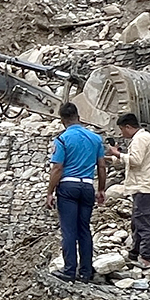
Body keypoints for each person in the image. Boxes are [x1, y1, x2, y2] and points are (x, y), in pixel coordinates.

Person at [44, 101, 105, 280]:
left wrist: (50, 192)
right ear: (78, 117)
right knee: (84, 229)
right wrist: (101, 189)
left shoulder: (62, 139)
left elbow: (57, 168)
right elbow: (102, 167)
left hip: (68, 187)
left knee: (69, 230)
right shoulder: (95, 139)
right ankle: (86, 271)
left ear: (63, 120)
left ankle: (69, 270)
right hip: (87, 186)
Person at [105, 111, 150, 265]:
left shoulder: (140, 139)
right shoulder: (143, 138)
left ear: (128, 127)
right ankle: (135, 252)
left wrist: (118, 154)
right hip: (145, 186)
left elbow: (135, 161)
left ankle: (146, 257)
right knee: (137, 221)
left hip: (144, 186)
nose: (122, 133)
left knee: (143, 221)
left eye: (122, 130)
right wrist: (112, 157)